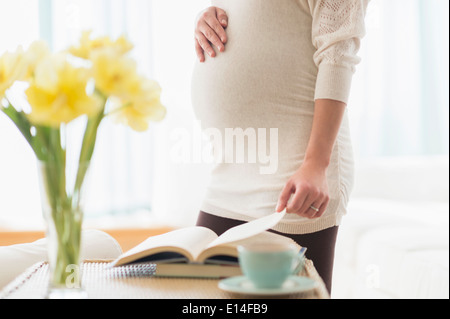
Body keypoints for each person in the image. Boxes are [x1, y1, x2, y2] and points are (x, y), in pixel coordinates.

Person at [191, 0, 369, 294]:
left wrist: (316, 164)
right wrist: (207, 19)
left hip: (293, 173)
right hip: (229, 173)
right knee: (201, 295)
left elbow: (339, 54)